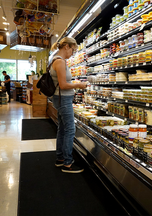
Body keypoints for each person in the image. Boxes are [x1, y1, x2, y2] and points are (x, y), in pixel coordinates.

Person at [50, 37, 87, 173]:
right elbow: (63, 85)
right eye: (73, 49)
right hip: (63, 99)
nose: (73, 53)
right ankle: (68, 163)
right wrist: (78, 84)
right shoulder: (59, 62)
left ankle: (60, 158)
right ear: (66, 46)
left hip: (59, 98)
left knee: (62, 129)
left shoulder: (54, 59)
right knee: (70, 130)